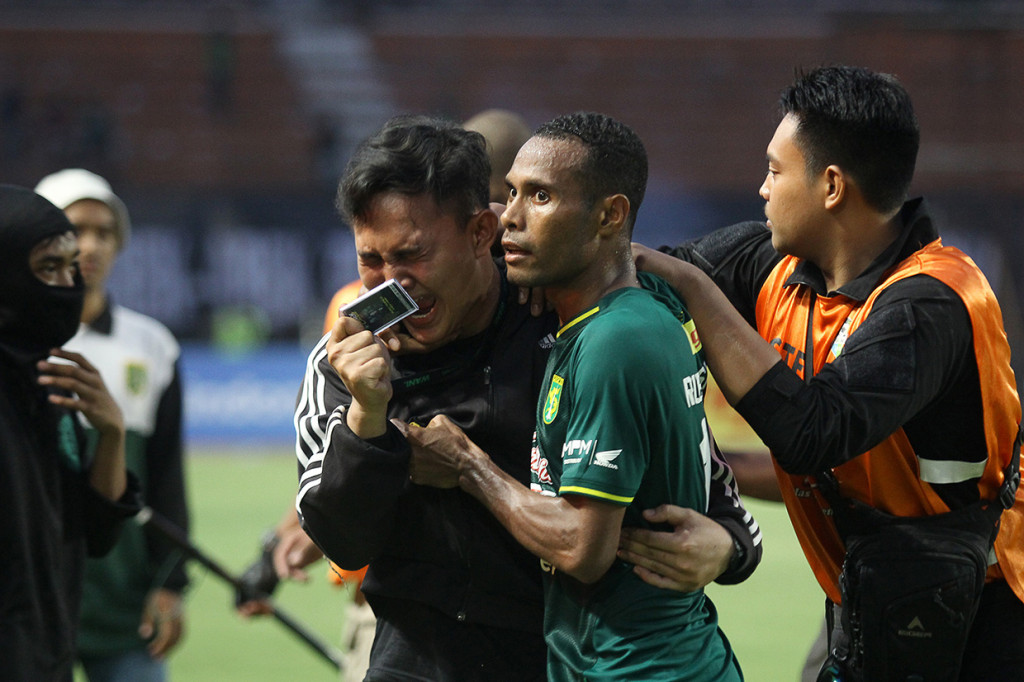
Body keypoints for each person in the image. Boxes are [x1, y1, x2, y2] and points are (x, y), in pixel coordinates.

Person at [293, 114, 761, 681]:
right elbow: (342, 542)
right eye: (371, 261)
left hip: (560, 665)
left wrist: (733, 546)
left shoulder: (566, 322)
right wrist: (366, 419)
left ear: (480, 233)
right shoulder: (345, 360)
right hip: (414, 665)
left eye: (412, 256)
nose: (393, 284)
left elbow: (705, 480)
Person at [620, 65, 1024, 680]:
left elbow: (813, 434)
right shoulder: (774, 263)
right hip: (877, 595)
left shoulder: (933, 302)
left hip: (988, 616)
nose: (761, 188)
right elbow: (644, 279)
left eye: (775, 171)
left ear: (831, 185)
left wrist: (695, 289)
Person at [35, 169, 190, 682]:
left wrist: (172, 582)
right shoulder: (15, 342)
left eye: (104, 232)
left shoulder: (153, 346)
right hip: (31, 606)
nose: (90, 246)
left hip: (126, 613)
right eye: (74, 230)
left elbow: (167, 476)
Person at [0, 184, 139, 681]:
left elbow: (94, 533)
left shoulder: (48, 383)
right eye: (46, 269)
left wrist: (111, 433)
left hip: (45, 652)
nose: (65, 285)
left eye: (68, 268)